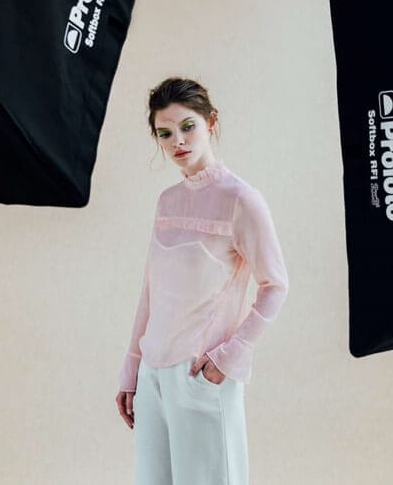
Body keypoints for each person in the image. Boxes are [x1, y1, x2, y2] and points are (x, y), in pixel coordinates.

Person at [116, 77, 289, 485]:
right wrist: (132, 368)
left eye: (187, 126)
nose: (178, 140)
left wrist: (230, 355)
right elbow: (150, 292)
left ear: (211, 122)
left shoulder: (242, 200)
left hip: (200, 375)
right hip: (152, 376)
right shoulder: (167, 202)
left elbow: (275, 286)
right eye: (165, 133)